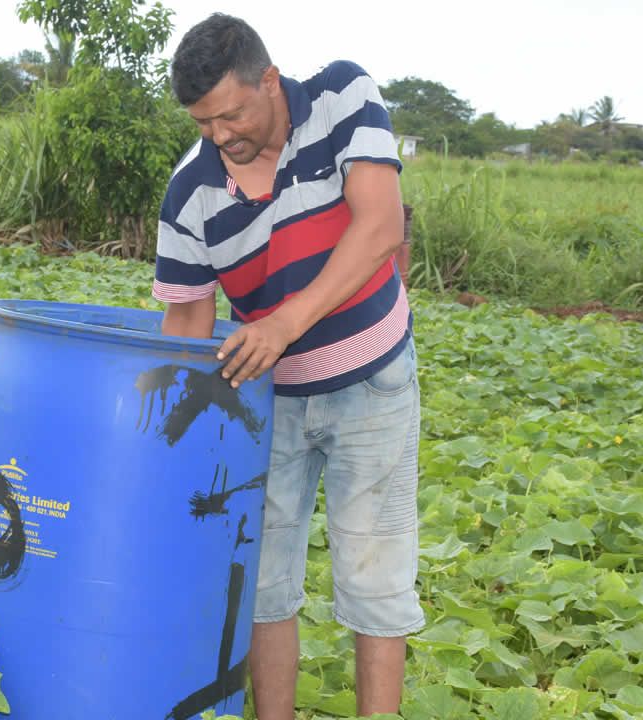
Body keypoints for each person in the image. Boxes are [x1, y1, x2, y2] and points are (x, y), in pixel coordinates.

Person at [153, 13, 423, 719]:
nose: (221, 135)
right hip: (267, 401)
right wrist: (175, 436)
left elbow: (381, 227)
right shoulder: (190, 193)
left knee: (374, 578)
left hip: (373, 380)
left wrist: (284, 323)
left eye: (232, 113)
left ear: (268, 80)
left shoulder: (342, 99)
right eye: (203, 123)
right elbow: (186, 325)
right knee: (264, 582)